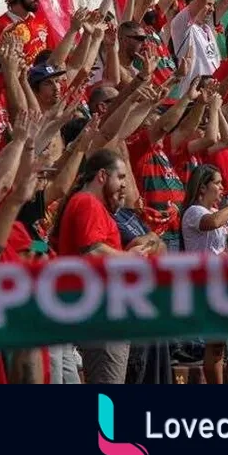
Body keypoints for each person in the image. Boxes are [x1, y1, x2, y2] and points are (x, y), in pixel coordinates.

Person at [52, 149, 147, 384]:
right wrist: (131, 257)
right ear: (102, 176)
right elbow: (92, 252)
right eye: (121, 177)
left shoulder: (88, 203)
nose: (124, 185)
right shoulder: (87, 203)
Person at [181, 164, 228, 384]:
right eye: (217, 183)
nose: (221, 187)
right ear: (202, 187)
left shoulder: (216, 212)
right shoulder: (194, 212)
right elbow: (213, 223)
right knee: (216, 343)